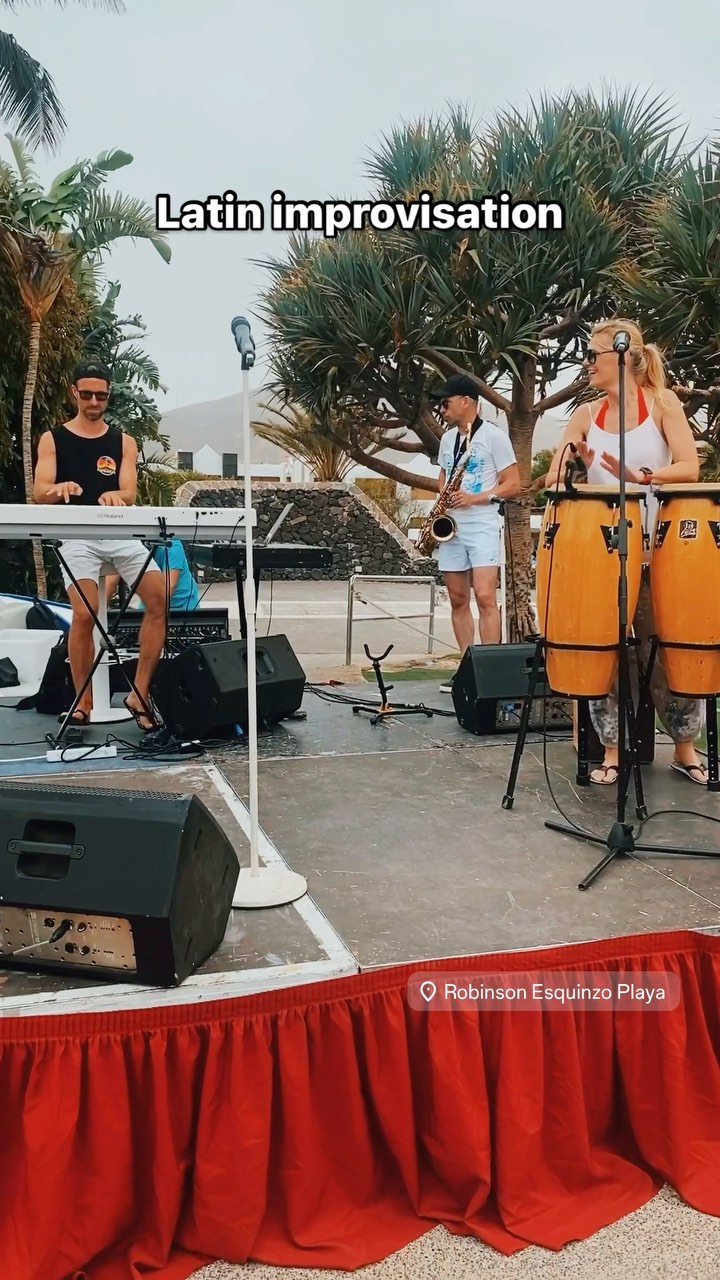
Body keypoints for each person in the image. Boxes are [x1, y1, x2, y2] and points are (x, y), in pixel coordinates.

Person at [544, 318, 707, 786]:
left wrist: (643, 478)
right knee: (608, 653)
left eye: (592, 355)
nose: (586, 364)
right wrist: (576, 466)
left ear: (621, 357)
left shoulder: (662, 404)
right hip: (601, 557)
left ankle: (684, 748)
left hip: (660, 553)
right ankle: (612, 751)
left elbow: (689, 467)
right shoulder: (584, 415)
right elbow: (553, 479)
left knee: (666, 649)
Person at [32, 358, 167, 731]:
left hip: (118, 533)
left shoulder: (124, 442)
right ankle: (83, 701)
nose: (94, 402)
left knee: (159, 600)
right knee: (84, 612)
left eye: (101, 395)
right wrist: (57, 489)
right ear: (74, 392)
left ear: (109, 395)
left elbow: (129, 492)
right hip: (76, 534)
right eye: (87, 394)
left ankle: (138, 694)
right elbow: (39, 491)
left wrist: (116, 497)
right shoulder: (53, 438)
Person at [430, 374, 521, 692]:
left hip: (482, 523)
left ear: (466, 401)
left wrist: (475, 498)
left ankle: (490, 672)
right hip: (452, 525)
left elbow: (513, 483)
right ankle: (466, 669)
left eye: (446, 402)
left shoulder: (494, 436)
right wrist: (443, 499)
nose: (442, 409)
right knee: (457, 598)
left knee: (484, 596)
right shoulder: (447, 440)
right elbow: (443, 474)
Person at [106, 537, 200, 613]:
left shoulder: (171, 545)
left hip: (182, 608)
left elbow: (168, 588)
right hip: (150, 601)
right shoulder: (131, 545)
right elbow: (110, 582)